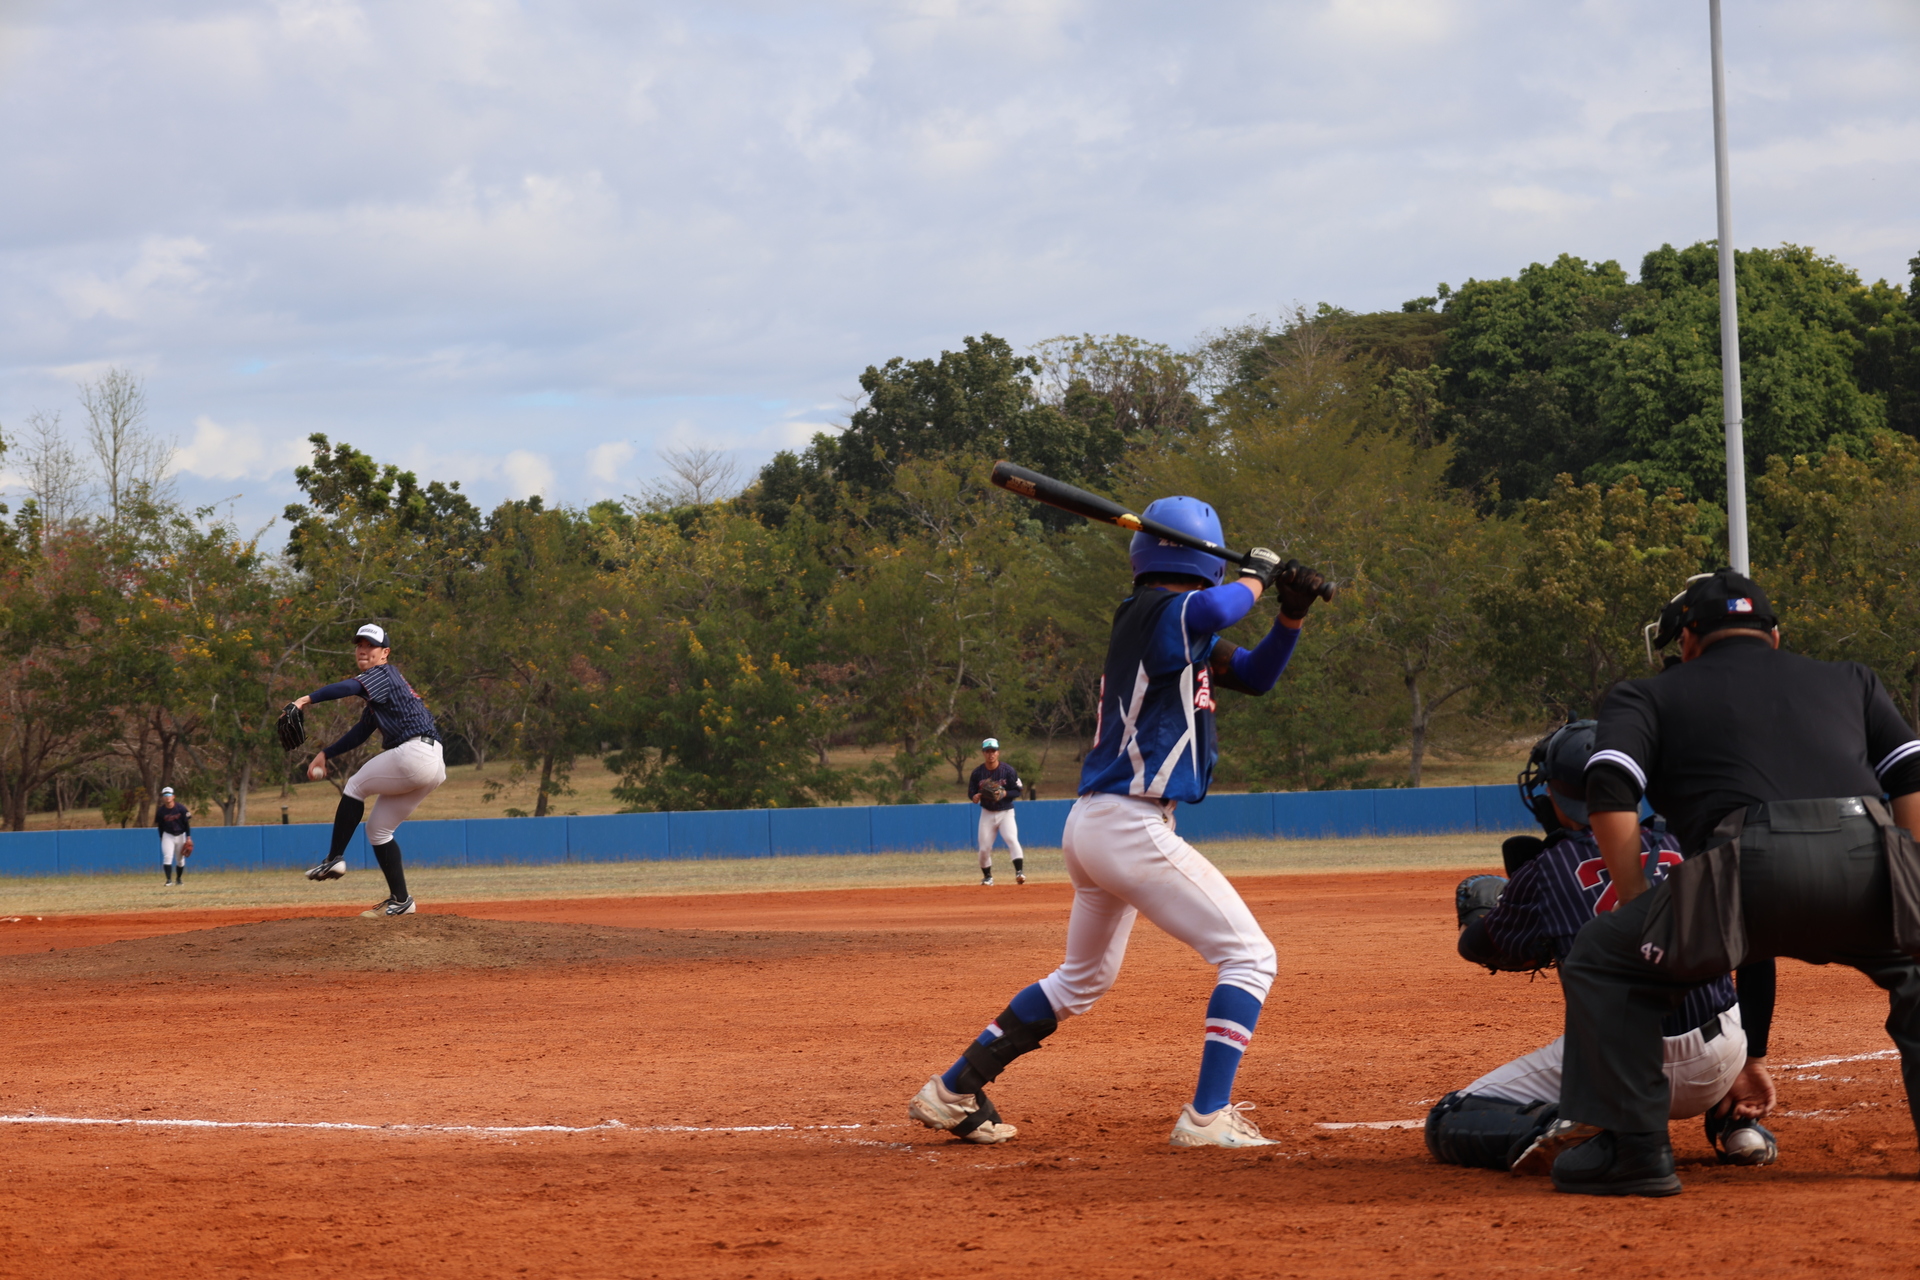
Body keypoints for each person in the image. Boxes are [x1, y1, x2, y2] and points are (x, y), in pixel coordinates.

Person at [906, 495, 1327, 1148]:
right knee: (1249, 958)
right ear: (1204, 563)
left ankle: (953, 1089)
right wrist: (1259, 575)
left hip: (1101, 824)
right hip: (1127, 824)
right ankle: (1208, 1116)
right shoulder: (1157, 613)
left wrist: (1291, 616)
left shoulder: (1178, 628)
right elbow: (1220, 605)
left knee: (1082, 980)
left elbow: (1257, 674)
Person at [1549, 569, 1920, 1196]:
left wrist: (1640, 905)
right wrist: (1908, 871)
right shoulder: (1851, 678)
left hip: (1744, 866)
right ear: (1774, 636)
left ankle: (1636, 1152)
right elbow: (1910, 774)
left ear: (1689, 639)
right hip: (1869, 853)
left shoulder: (1648, 693)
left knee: (1604, 960)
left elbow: (1609, 791)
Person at [1426, 721, 1777, 1174]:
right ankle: (1739, 1128)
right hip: (1718, 1060)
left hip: (1615, 1075)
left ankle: (1565, 1123)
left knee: (1450, 1116)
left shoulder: (1546, 870)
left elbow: (1485, 947)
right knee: (1700, 987)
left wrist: (1488, 910)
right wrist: (1752, 1058)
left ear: (1552, 792)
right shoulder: (1689, 842)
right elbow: (1758, 952)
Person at [292, 624, 446, 918]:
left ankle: (333, 858)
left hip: (415, 753)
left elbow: (350, 686)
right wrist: (325, 754)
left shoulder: (383, 674)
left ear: (384, 653)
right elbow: (362, 731)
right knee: (379, 830)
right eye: (359, 645)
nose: (363, 650)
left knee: (355, 785)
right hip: (432, 763)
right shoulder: (381, 691)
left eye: (370, 646)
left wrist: (305, 699)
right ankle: (402, 900)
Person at [968, 738, 1024, 886]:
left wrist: (1005, 794)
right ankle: (988, 877)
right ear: (983, 753)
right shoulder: (977, 773)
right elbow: (971, 792)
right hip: (987, 812)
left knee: (1011, 839)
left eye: (993, 751)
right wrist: (975, 796)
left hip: (1006, 812)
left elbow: (1018, 791)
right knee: (984, 849)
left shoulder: (1008, 771)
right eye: (987, 751)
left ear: (998, 752)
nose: (990, 754)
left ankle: (1019, 872)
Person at [156, 786, 192, 886]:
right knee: (167, 857)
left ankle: (179, 879)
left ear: (173, 796)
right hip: (168, 835)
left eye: (169, 795)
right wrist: (161, 837)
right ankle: (168, 880)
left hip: (181, 835)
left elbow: (186, 824)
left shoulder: (181, 808)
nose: (167, 797)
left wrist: (188, 837)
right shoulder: (161, 811)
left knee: (180, 859)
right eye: (165, 795)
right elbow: (160, 826)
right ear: (163, 798)